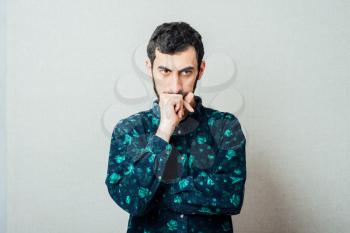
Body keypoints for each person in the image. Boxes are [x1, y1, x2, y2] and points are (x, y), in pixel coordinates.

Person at [105, 21, 247, 233]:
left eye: (186, 72)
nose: (175, 86)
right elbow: (133, 200)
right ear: (149, 69)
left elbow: (231, 196)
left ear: (201, 70)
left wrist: (156, 191)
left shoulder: (225, 126)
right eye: (164, 71)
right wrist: (165, 129)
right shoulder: (129, 130)